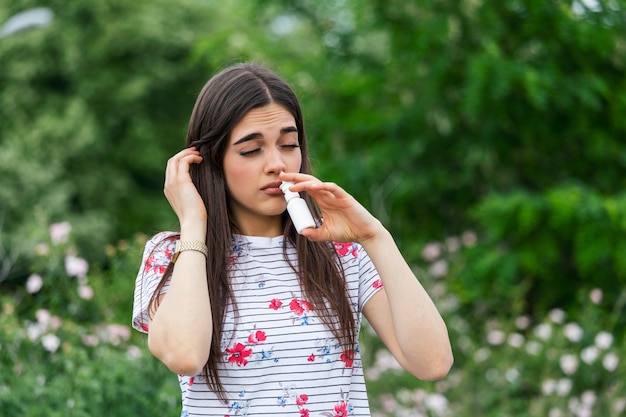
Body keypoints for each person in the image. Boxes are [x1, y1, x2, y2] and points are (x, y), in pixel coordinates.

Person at [132, 63, 453, 417]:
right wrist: (194, 223)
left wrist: (375, 236)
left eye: (288, 144)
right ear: (210, 161)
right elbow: (185, 356)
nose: (276, 163)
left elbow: (433, 363)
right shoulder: (173, 254)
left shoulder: (342, 252)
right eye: (251, 150)